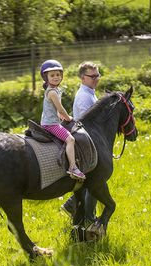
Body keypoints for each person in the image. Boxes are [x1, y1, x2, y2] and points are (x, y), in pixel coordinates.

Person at [61, 61, 101, 219]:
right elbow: (88, 124)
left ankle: (72, 206)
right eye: (93, 76)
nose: (96, 79)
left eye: (98, 75)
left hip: (88, 139)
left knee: (91, 180)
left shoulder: (90, 92)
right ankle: (86, 216)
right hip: (85, 142)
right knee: (95, 179)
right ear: (83, 78)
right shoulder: (84, 97)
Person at [40, 59, 85, 180]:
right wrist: (68, 117)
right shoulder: (52, 92)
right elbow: (60, 110)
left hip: (50, 121)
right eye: (52, 75)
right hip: (51, 124)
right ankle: (73, 167)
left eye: (58, 75)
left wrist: (62, 117)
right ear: (46, 77)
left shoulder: (54, 90)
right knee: (70, 139)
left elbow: (54, 110)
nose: (56, 77)